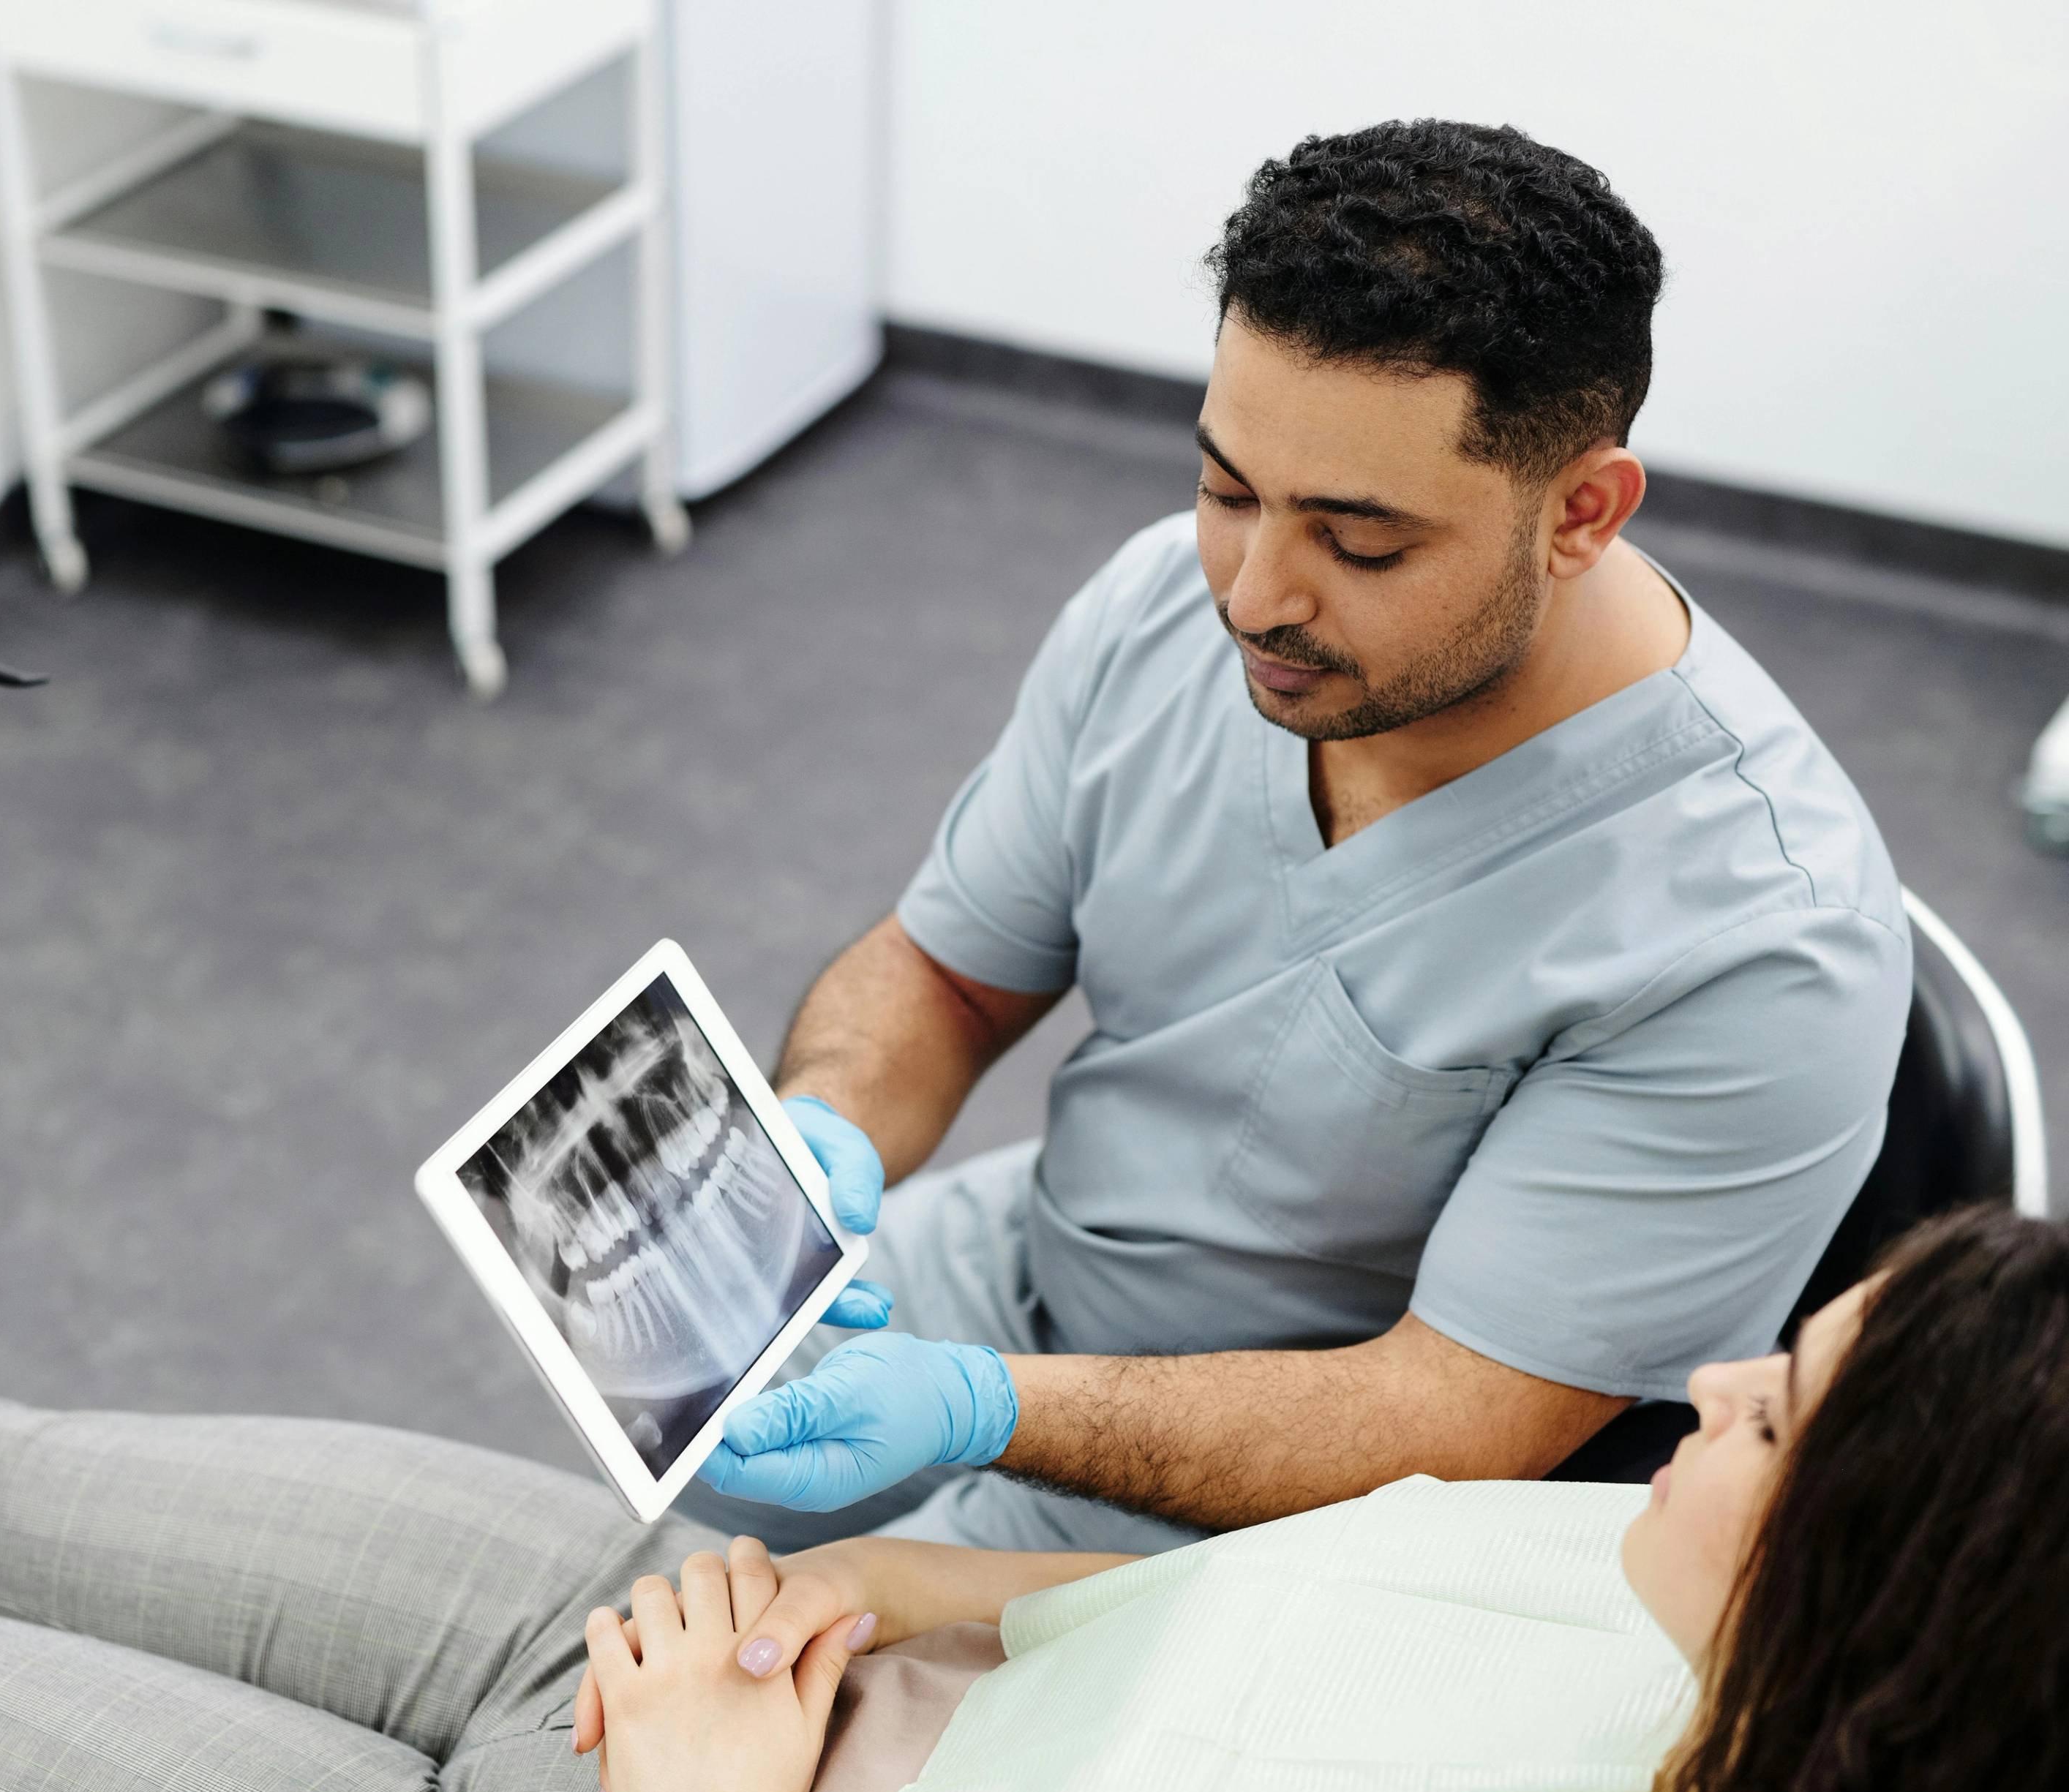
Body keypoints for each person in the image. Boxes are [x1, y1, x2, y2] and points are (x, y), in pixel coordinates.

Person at [0, 1207, 2062, 1792]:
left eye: (1781, 1413)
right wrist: (839, 1590)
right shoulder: (1595, 1578)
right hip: (754, 1661)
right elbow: (1156, 1608)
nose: (1713, 1384)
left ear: (1895, 1601)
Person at [703, 118, 1910, 1553]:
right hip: (1037, 1258)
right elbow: (952, 974)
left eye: (1362, 540)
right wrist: (828, 1114)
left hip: (1297, 1502)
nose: (1253, 593)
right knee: (683, 1425)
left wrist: (989, 1411)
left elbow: (1450, 1414)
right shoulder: (1167, 601)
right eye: (1228, 488)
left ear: (1579, 511)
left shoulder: (1763, 934)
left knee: (732, 1678)